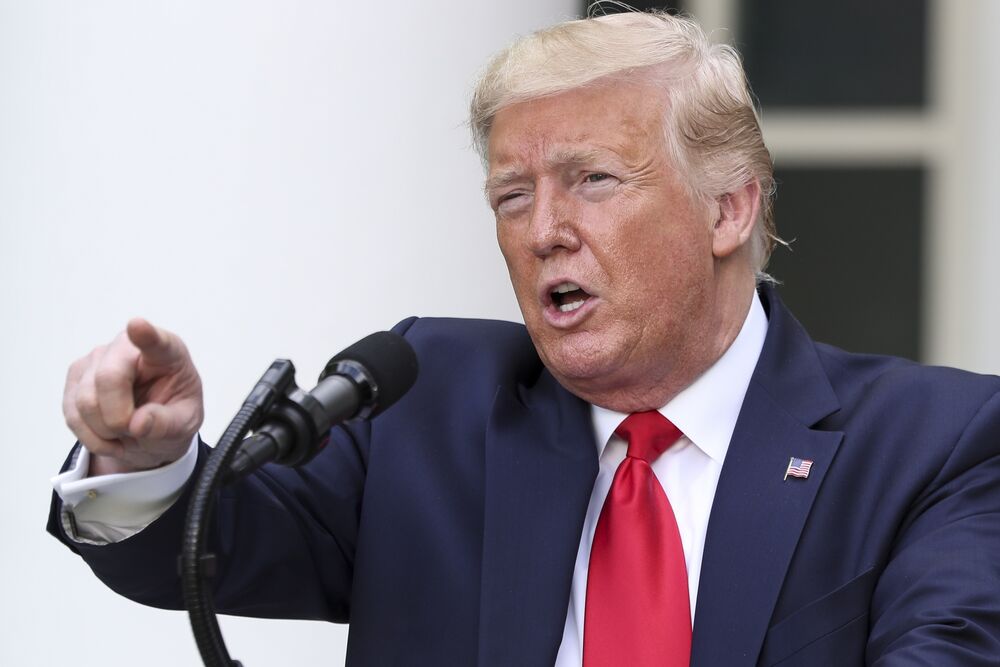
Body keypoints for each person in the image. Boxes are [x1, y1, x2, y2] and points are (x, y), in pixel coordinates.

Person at [49, 10, 1000, 667]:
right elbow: (202, 548)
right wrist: (150, 455)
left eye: (592, 181)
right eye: (513, 194)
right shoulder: (429, 398)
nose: (542, 229)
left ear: (728, 208)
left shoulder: (935, 444)